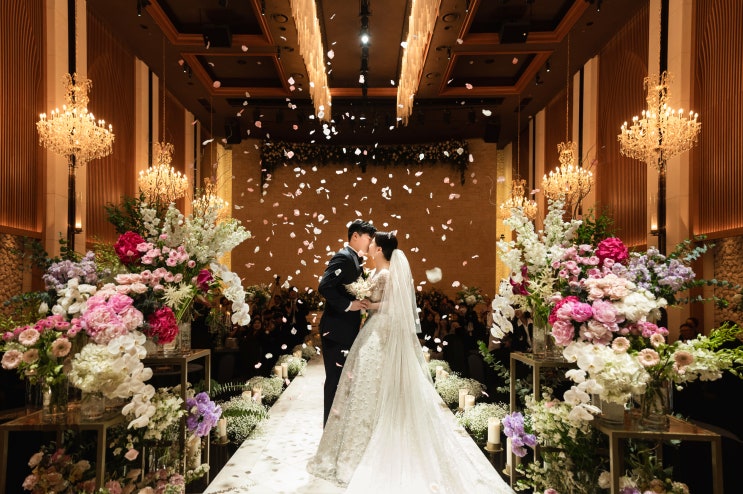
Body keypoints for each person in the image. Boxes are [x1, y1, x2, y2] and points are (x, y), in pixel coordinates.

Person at [307, 231, 512, 493]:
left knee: (370, 382)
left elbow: (393, 304)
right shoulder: (381, 272)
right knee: (371, 383)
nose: (369, 246)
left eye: (373, 244)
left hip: (379, 329)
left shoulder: (384, 274)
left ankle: (370, 444)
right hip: (375, 328)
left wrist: (368, 304)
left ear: (379, 249)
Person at [317, 219, 377, 426]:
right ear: (355, 236)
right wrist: (349, 305)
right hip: (336, 330)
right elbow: (324, 286)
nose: (370, 242)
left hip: (346, 329)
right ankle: (329, 428)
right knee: (334, 381)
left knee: (343, 380)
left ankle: (337, 426)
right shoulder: (343, 257)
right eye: (368, 238)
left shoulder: (355, 259)